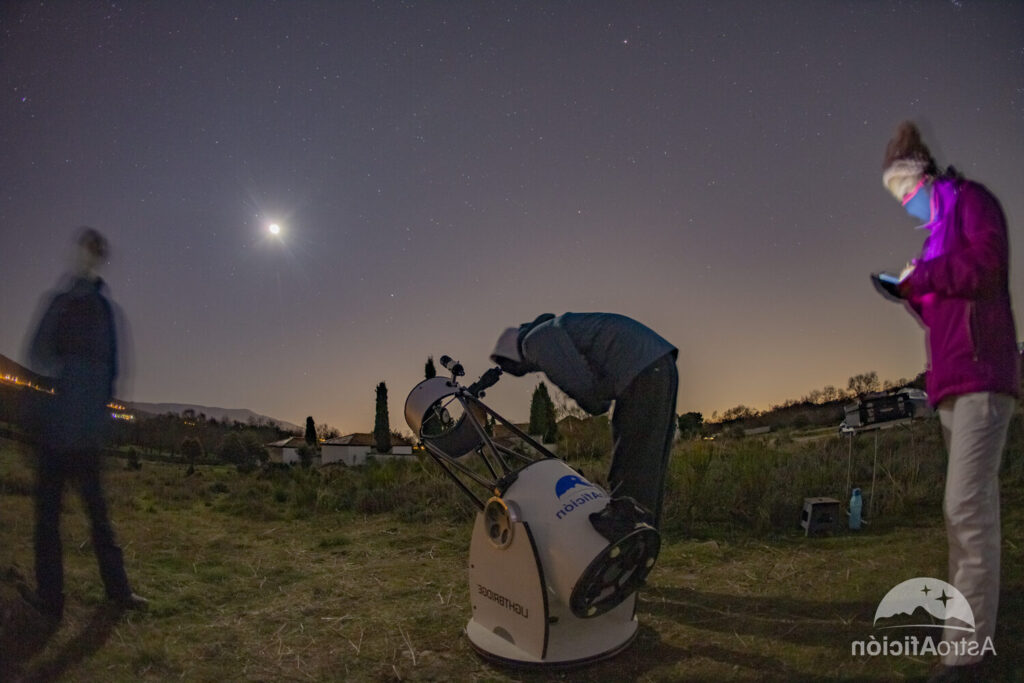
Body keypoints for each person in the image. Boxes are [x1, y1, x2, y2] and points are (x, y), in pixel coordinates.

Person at [877, 122, 1018, 680]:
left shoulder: (973, 204)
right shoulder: (934, 236)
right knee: (968, 513)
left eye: (906, 191)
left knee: (965, 510)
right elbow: (940, 312)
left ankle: (967, 655)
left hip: (985, 375)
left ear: (924, 174)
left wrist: (925, 275)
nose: (906, 203)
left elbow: (986, 266)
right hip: (953, 381)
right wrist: (912, 293)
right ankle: (964, 641)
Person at [23, 227, 146, 620]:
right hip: (55, 430)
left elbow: (113, 372)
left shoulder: (104, 312)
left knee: (98, 519)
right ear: (78, 254)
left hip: (85, 433)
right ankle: (51, 598)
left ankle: (118, 592)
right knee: (48, 520)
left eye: (96, 253)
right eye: (86, 251)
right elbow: (38, 354)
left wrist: (98, 412)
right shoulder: (59, 303)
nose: (90, 258)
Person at [490, 312, 678, 527]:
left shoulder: (535, 340)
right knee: (649, 455)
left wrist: (594, 399)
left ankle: (623, 524)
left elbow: (586, 391)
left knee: (633, 450)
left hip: (641, 368)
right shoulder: (557, 328)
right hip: (658, 362)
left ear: (514, 354)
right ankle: (642, 529)